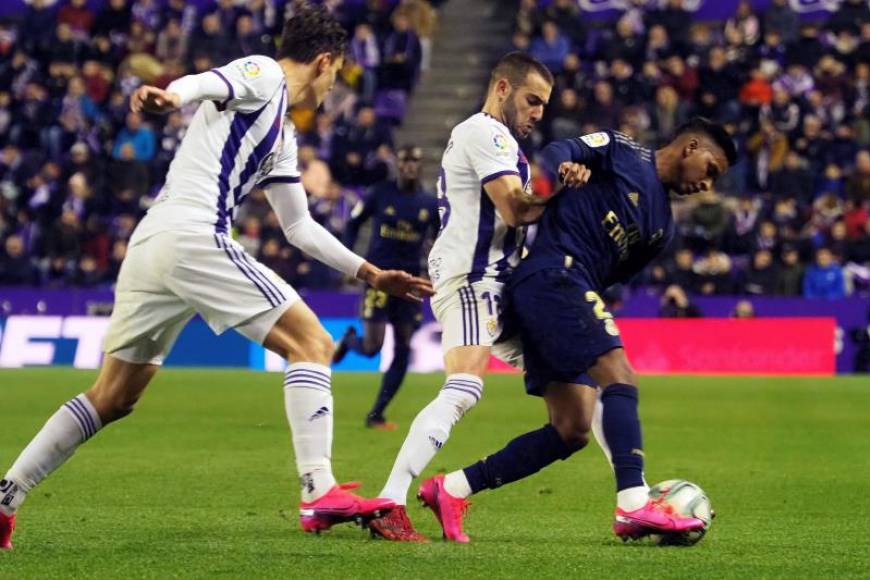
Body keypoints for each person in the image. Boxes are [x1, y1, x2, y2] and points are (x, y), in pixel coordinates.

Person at [0, 7, 433, 551]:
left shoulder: (281, 137)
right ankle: (318, 488)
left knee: (112, 397)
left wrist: (369, 271)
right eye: (336, 72)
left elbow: (298, 226)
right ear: (324, 61)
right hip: (193, 234)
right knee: (314, 344)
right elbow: (210, 83)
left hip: (154, 242)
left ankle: (4, 499)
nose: (332, 86)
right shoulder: (266, 73)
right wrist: (169, 95)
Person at [406, 118, 737, 543]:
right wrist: (565, 172)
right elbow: (557, 152)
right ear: (692, 147)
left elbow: (614, 274)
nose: (707, 183)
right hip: (552, 273)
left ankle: (451, 489)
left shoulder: (662, 227)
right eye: (711, 169)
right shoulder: (622, 150)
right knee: (618, 374)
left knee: (573, 427)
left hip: (568, 290)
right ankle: (634, 504)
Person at [366, 52, 556, 542]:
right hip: (476, 278)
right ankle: (390, 499)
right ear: (502, 88)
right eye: (531, 100)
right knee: (465, 387)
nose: (538, 112)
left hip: (500, 282)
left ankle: (634, 496)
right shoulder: (486, 133)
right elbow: (514, 209)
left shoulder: (501, 143)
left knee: (575, 383)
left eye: (543, 105)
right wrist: (569, 198)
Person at [333, 144, 439, 430]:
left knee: (403, 347)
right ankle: (348, 341)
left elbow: (441, 238)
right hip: (378, 278)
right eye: (404, 161)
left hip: (410, 282)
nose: (409, 166)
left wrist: (436, 267)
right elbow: (353, 224)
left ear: (421, 165)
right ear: (397, 164)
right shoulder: (380, 194)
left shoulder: (429, 203)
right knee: (372, 347)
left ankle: (377, 413)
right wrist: (349, 261)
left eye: (414, 161)